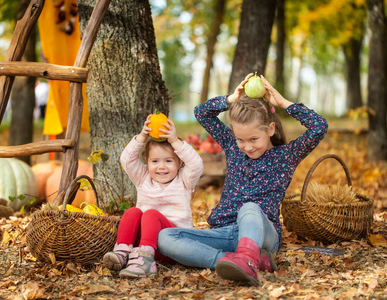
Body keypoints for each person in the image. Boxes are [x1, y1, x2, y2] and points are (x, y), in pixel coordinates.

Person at [158, 73, 328, 286]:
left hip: (263, 234)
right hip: (226, 233)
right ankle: (236, 261)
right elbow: (201, 113)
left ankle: (249, 257)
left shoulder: (286, 155)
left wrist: (284, 103)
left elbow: (319, 126)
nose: (247, 147)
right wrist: (230, 99)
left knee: (249, 208)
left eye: (254, 139)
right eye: (241, 139)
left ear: (271, 129)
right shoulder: (231, 146)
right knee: (165, 237)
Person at [103, 114, 203, 278]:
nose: (161, 167)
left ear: (179, 162)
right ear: (146, 161)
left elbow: (196, 164)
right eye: (155, 161)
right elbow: (126, 160)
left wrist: (175, 141)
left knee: (150, 214)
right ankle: (122, 252)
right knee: (132, 212)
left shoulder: (184, 180)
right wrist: (142, 136)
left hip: (172, 243)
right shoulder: (143, 178)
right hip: (143, 244)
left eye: (169, 161)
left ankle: (146, 263)